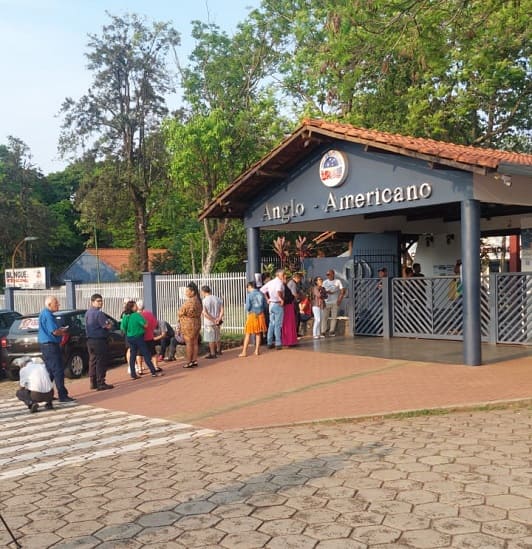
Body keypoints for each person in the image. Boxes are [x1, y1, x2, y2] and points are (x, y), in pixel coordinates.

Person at [38, 295, 75, 403]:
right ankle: (62, 395)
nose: (58, 305)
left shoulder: (44, 313)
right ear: (49, 305)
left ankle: (45, 393)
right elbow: (54, 331)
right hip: (50, 345)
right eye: (56, 303)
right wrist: (63, 331)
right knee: (58, 370)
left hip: (46, 345)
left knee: (49, 371)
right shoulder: (48, 315)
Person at [120, 301, 162, 379]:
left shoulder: (125, 316)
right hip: (139, 337)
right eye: (135, 306)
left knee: (133, 355)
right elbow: (145, 325)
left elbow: (123, 327)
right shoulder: (137, 315)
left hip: (130, 337)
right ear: (132, 307)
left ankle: (133, 374)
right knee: (146, 354)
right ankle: (153, 372)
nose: (137, 307)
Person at [85, 293, 114, 391]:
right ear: (92, 302)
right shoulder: (99, 313)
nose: (101, 303)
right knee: (101, 361)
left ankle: (93, 382)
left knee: (93, 361)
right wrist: (110, 323)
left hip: (90, 340)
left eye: (101, 301)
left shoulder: (88, 313)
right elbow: (107, 326)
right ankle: (100, 382)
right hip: (99, 340)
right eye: (98, 301)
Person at [239, 281, 267, 357]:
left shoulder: (249, 295)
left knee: (248, 333)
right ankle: (257, 350)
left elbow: (247, 307)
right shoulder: (261, 294)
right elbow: (265, 305)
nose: (247, 289)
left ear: (250, 287)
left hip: (252, 315)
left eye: (247, 287)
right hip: (260, 315)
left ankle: (244, 352)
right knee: (258, 333)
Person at [178, 282, 203, 368]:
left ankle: (189, 361)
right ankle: (194, 360)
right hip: (197, 323)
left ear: (192, 292)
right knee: (195, 342)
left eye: (187, 291)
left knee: (189, 343)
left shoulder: (190, 302)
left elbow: (181, 312)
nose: (186, 293)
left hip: (188, 325)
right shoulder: (199, 300)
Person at [260, 268, 285, 350]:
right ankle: (278, 343)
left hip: (271, 304)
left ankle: (269, 342)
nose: (284, 276)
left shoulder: (271, 282)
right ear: (279, 275)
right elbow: (278, 291)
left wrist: (267, 299)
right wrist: (281, 299)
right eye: (283, 274)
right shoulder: (279, 282)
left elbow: (262, 290)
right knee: (278, 324)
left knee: (272, 324)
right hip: (277, 304)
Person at [137, 299, 162, 373]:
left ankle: (140, 368)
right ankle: (156, 366)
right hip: (149, 336)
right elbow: (155, 324)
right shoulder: (149, 314)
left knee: (139, 353)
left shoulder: (135, 315)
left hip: (140, 337)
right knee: (153, 352)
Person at [201, 285, 224, 359]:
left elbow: (205, 313)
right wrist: (219, 318)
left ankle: (212, 353)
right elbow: (222, 310)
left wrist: (212, 319)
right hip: (218, 320)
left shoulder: (204, 300)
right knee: (217, 335)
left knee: (210, 337)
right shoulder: (217, 298)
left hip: (209, 322)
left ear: (203, 292)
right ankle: (219, 349)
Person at [321, 269, 346, 337]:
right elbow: (322, 292)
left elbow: (342, 290)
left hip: (335, 302)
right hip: (326, 302)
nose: (328, 276)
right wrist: (326, 293)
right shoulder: (325, 282)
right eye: (327, 275)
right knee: (324, 317)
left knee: (334, 317)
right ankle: (323, 331)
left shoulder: (337, 281)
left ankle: (332, 331)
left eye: (329, 274)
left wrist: (339, 299)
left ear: (333, 274)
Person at [282, 273, 298, 347]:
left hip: (288, 305)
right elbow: (290, 295)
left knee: (289, 324)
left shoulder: (285, 286)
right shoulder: (282, 286)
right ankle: (289, 340)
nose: (286, 279)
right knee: (288, 324)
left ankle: (290, 340)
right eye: (284, 278)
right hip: (287, 306)